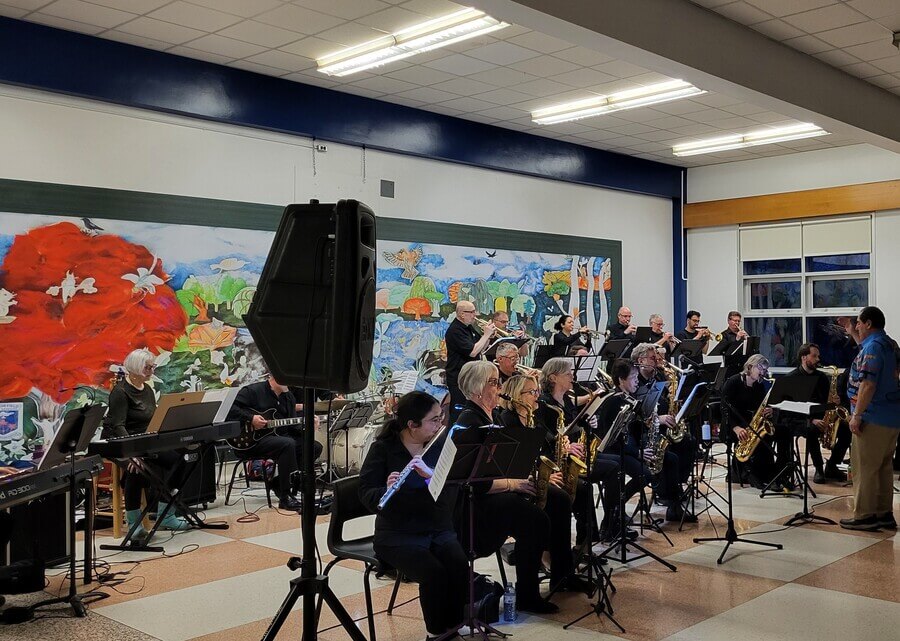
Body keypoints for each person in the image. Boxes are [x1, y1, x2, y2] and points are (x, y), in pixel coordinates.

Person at [358, 392, 467, 640]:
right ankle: (437, 633)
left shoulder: (439, 446)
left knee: (458, 563)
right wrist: (385, 490)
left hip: (435, 526)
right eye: (433, 420)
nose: (439, 424)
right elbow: (366, 493)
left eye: (441, 417)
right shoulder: (383, 449)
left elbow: (452, 491)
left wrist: (430, 475)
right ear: (412, 425)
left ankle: (454, 626)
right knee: (433, 572)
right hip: (397, 533)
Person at [454, 360, 559, 613]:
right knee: (535, 520)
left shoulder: (491, 415)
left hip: (493, 495)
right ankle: (527, 595)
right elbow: (473, 482)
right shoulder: (470, 420)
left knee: (555, 501)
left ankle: (560, 572)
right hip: (472, 507)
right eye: (494, 382)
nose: (500, 386)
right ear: (477, 389)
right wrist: (514, 484)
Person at [498, 374, 590, 594]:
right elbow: (514, 462)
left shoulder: (534, 416)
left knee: (574, 493)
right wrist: (545, 476)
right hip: (521, 481)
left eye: (537, 391)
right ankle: (557, 570)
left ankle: (564, 571)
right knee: (559, 500)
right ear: (516, 395)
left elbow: (546, 448)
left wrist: (561, 448)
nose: (536, 396)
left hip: (540, 474)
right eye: (531, 392)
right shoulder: (506, 420)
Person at [102, 348, 190, 539]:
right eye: (147, 367)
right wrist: (130, 453)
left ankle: (166, 514)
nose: (151, 370)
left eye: (152, 366)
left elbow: (151, 419)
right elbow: (118, 425)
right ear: (134, 369)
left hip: (144, 441)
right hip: (121, 443)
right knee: (138, 467)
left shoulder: (148, 390)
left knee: (179, 460)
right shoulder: (120, 392)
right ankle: (134, 522)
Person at [837, 307, 900, 531]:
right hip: (891, 417)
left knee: (864, 468)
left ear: (869, 323)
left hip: (872, 417)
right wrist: (850, 331)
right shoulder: (888, 343)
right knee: (883, 467)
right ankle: (884, 513)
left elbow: (868, 384)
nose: (857, 328)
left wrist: (857, 415)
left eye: (859, 324)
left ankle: (864, 515)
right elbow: (865, 347)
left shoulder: (873, 347)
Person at [227, 375, 324, 511]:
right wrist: (251, 418)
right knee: (287, 443)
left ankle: (280, 483)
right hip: (249, 441)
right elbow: (229, 409)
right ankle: (285, 497)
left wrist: (308, 426)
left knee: (313, 447)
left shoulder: (288, 397)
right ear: (275, 377)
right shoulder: (253, 391)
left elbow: (292, 427)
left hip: (279, 439)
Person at [628, 345, 695, 522]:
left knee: (688, 443)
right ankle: (666, 492)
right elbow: (636, 415)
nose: (656, 361)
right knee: (669, 456)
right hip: (639, 432)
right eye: (652, 358)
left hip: (658, 427)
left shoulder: (657, 376)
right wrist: (659, 418)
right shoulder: (633, 381)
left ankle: (674, 487)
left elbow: (663, 403)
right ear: (640, 361)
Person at [779, 344, 844, 485]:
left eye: (818, 356)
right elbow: (788, 410)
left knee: (846, 429)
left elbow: (826, 403)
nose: (817, 359)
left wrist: (835, 402)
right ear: (804, 357)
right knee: (812, 430)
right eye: (814, 356)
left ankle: (832, 465)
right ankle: (819, 468)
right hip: (798, 420)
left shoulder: (821, 377)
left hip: (821, 416)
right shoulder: (791, 378)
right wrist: (812, 419)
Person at [721, 354, 781, 491]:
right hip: (732, 425)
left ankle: (768, 474)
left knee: (769, 436)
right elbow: (723, 409)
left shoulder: (758, 386)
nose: (763, 373)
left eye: (765, 370)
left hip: (749, 423)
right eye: (761, 369)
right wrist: (736, 428)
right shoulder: (733, 382)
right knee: (760, 438)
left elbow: (760, 407)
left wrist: (769, 411)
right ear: (750, 367)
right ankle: (754, 475)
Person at [444, 301, 494, 422]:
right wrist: (486, 335)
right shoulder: (455, 330)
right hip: (458, 378)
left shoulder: (468, 328)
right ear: (461, 314)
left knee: (471, 411)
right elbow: (472, 351)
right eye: (471, 312)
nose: (474, 315)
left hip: (470, 377)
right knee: (459, 412)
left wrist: (489, 337)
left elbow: (479, 348)